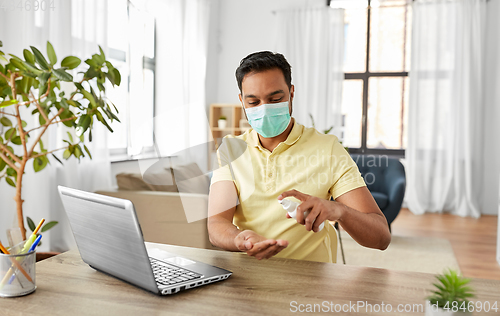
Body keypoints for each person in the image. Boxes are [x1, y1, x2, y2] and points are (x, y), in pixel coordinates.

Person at [207, 51, 391, 263]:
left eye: (275, 99)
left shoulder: (328, 149)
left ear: (291, 93)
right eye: (254, 102)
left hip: (311, 284)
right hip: (248, 280)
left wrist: (340, 211)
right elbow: (217, 224)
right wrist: (240, 239)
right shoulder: (230, 149)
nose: (264, 110)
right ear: (242, 101)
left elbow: (381, 237)